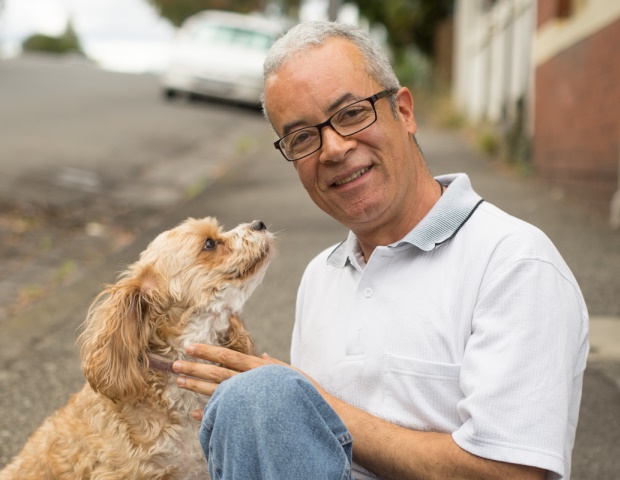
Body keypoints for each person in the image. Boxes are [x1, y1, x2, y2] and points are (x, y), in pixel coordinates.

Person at [172, 21, 589, 480]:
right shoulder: (320, 276)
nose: (332, 148)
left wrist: (310, 403)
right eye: (303, 138)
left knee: (264, 396)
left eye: (351, 113)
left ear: (404, 111)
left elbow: (509, 474)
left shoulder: (514, 261)